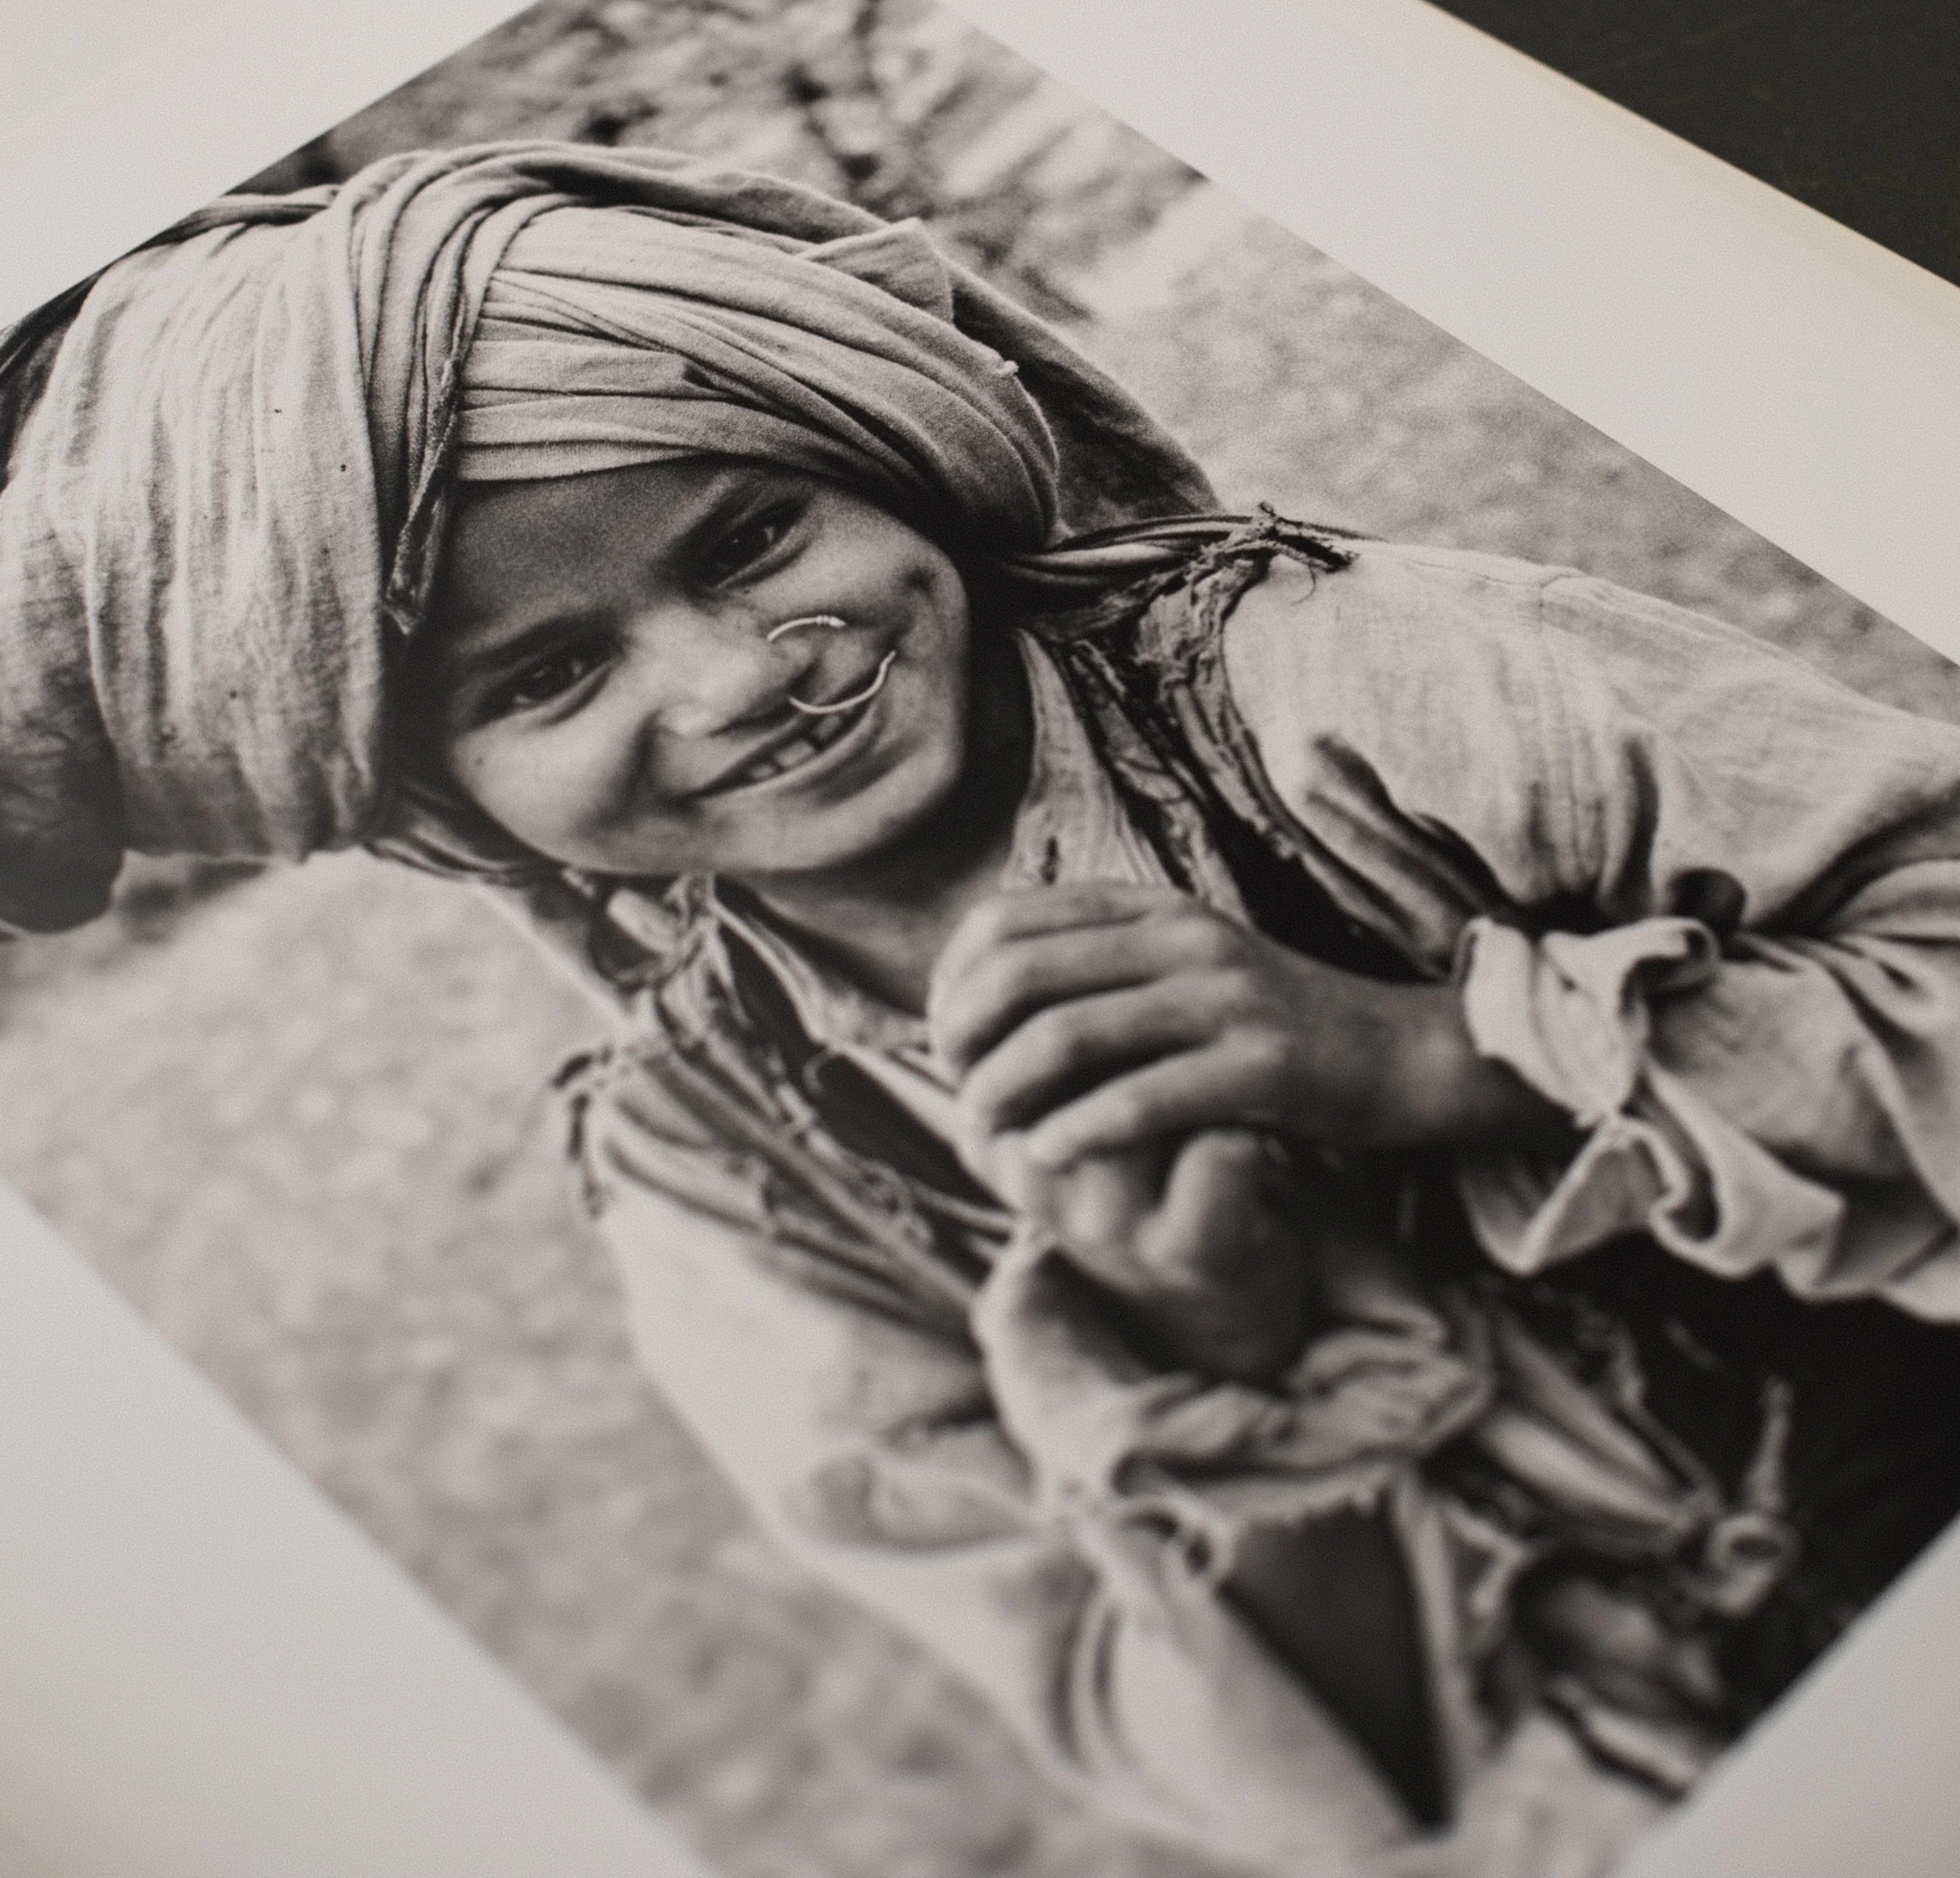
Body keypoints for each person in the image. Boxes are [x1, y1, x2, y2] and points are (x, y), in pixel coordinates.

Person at [6, 140, 1960, 1876]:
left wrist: (1429, 1055)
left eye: (753, 536)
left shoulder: (1346, 685)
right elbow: (1295, 1769)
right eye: (545, 678)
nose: (732, 677)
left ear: (876, 446)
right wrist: (1212, 1344)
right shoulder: (734, 1176)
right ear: (432, 808)